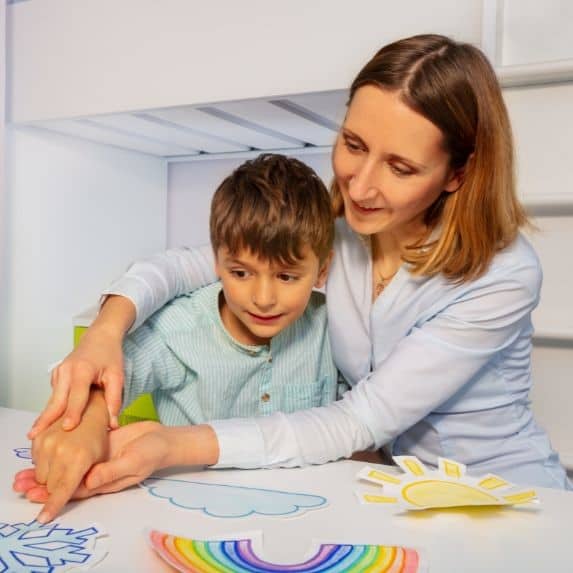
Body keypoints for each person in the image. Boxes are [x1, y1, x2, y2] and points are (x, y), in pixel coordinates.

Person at [19, 34, 572, 511]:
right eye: (353, 145)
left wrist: (170, 445)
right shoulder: (339, 236)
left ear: (458, 173)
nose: (359, 186)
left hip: (505, 494)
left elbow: (360, 419)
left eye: (400, 167)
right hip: (400, 492)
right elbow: (193, 262)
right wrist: (105, 335)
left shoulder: (502, 274)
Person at [16, 153, 342, 523]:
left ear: (322, 270)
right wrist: (86, 427)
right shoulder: (180, 328)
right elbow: (111, 373)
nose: (263, 298)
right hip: (191, 515)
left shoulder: (331, 327)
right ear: (216, 263)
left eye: (286, 277)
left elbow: (355, 422)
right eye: (240, 273)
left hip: (309, 514)